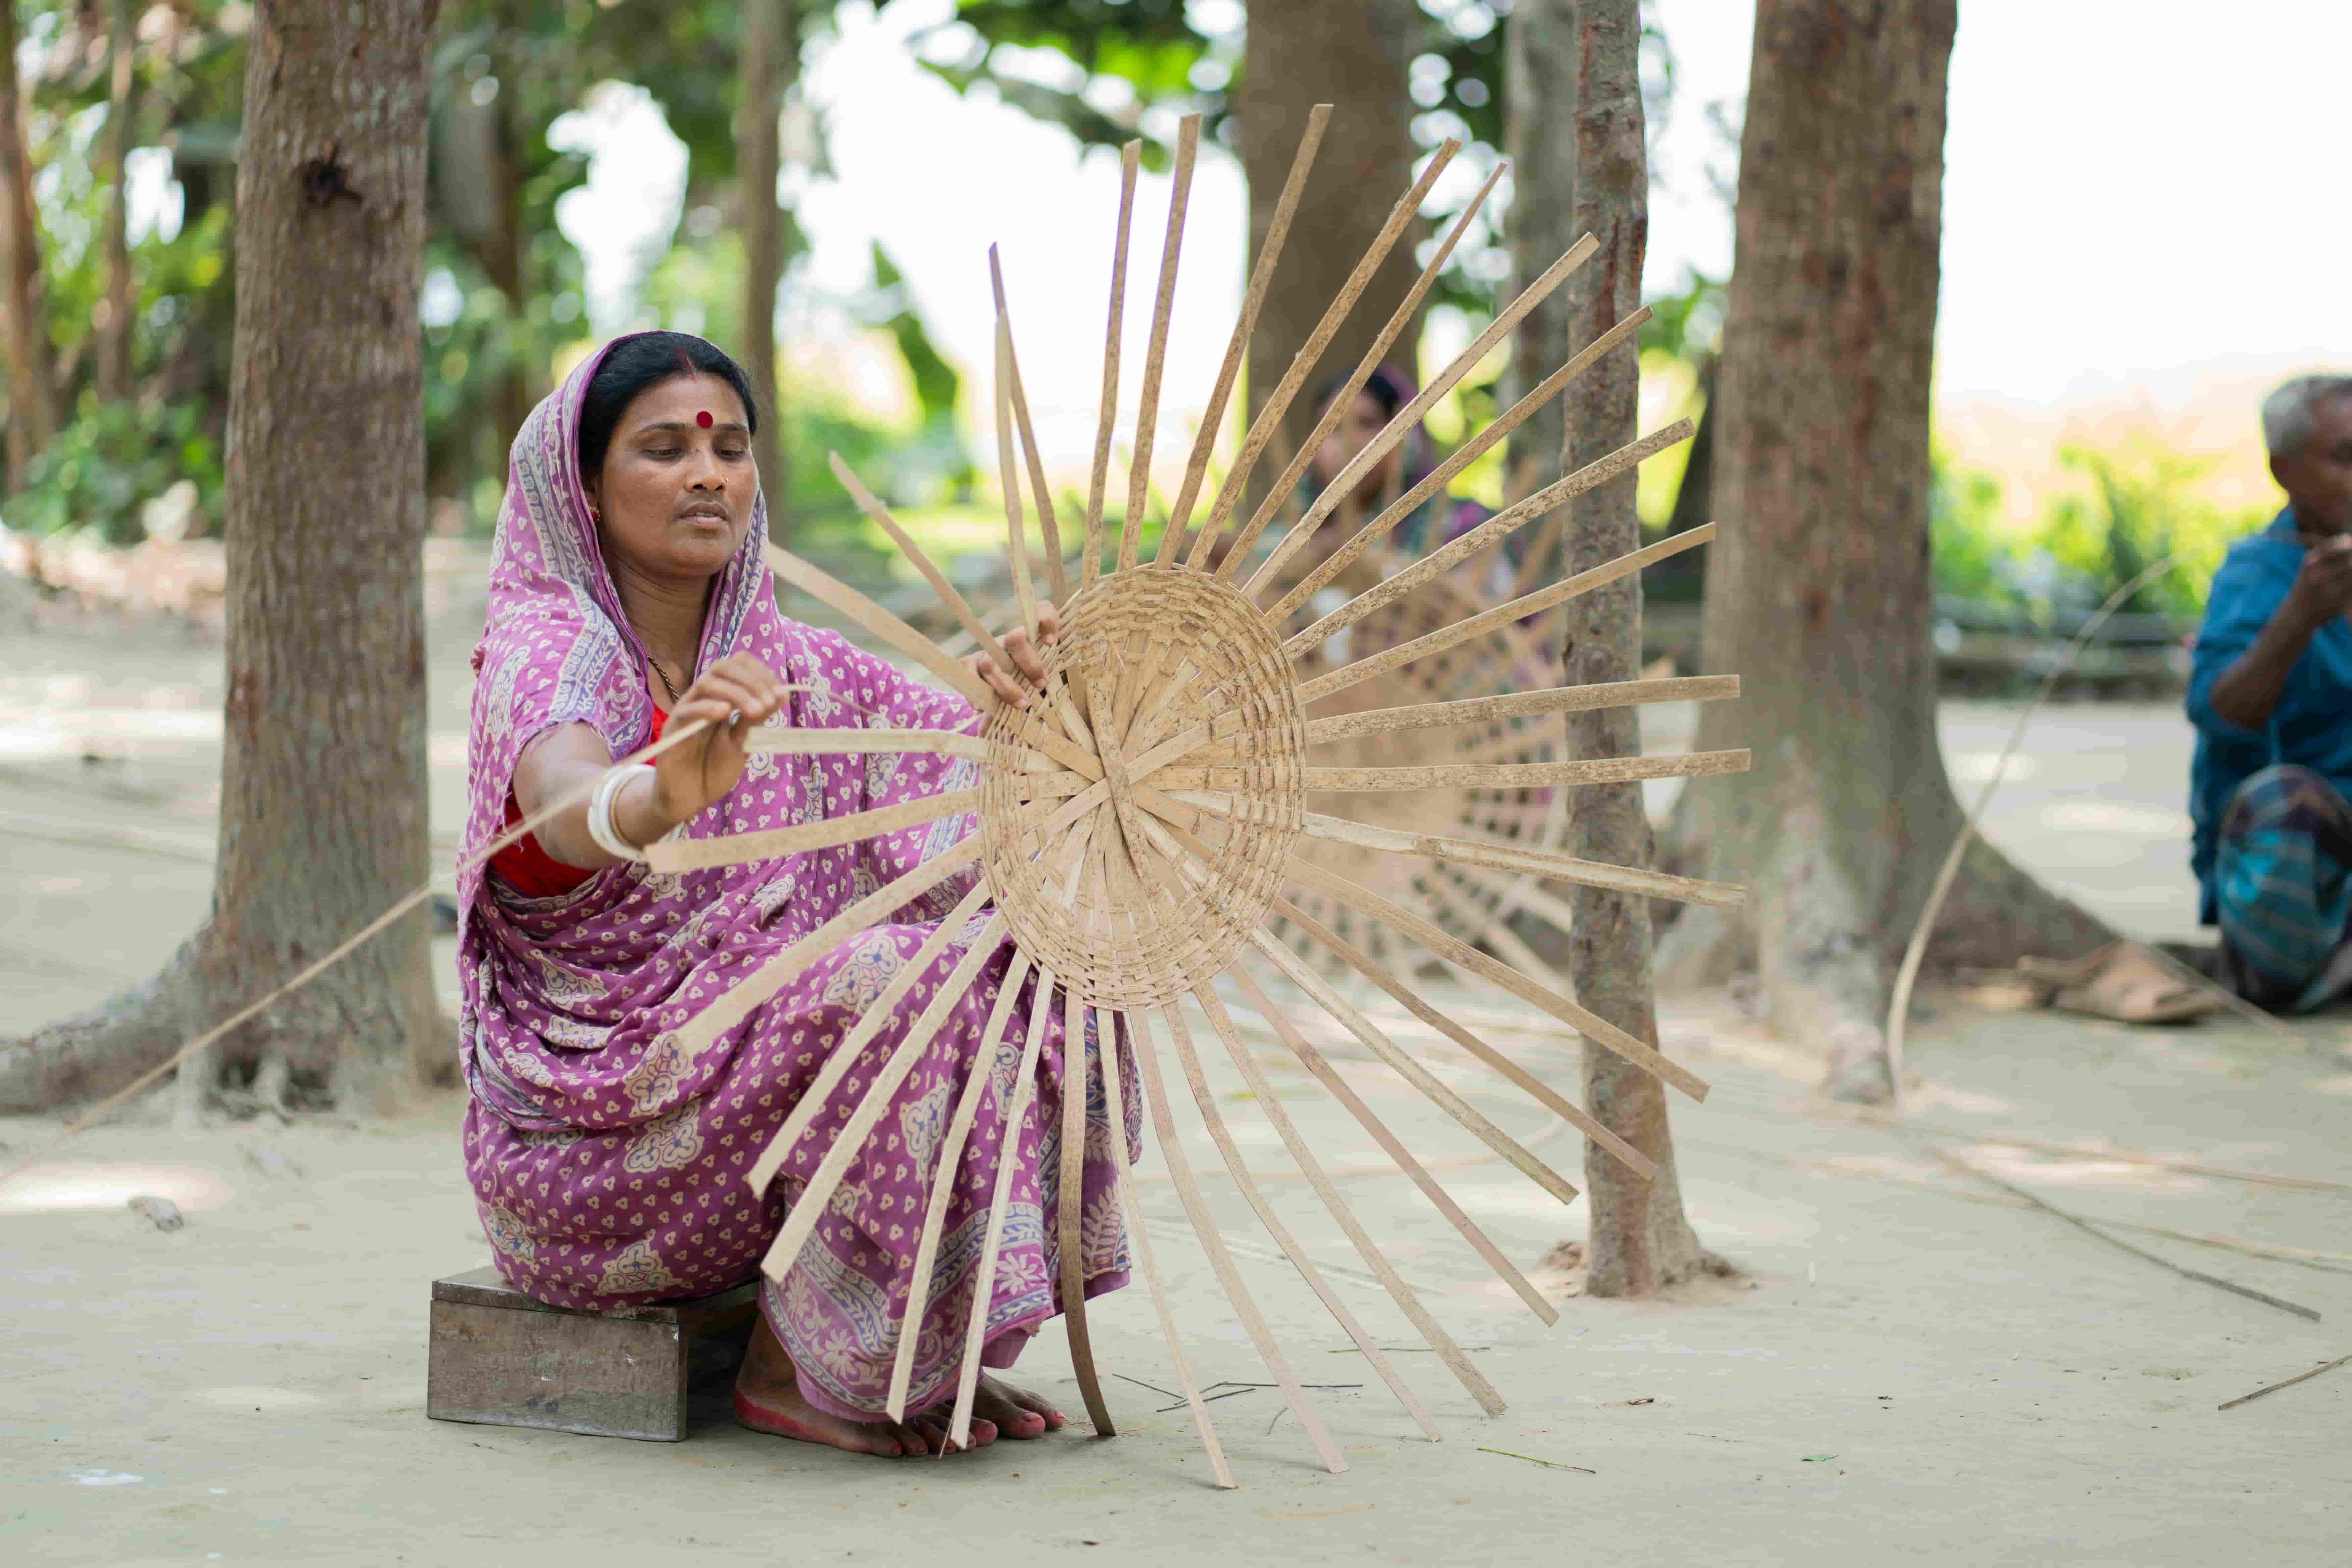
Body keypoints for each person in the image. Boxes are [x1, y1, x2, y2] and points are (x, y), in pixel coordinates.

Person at [459, 331, 1138, 1457]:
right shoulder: (553, 645)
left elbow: (973, 795)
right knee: (876, 979)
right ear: (581, 487)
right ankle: (789, 1369)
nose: (705, 473)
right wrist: (655, 793)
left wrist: (1044, 717)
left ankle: (922, 1339)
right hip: (594, 1153)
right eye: (662, 448)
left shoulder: (798, 666)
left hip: (750, 1131)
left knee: (1034, 946)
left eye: (728, 446)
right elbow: (562, 796)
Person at [2186, 373, 2352, 1011]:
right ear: (2284, 470)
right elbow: (2220, 713)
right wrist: (2300, 616)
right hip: (2295, 855)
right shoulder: (2258, 573)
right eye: (2345, 457)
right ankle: (2285, 970)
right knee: (2286, 802)